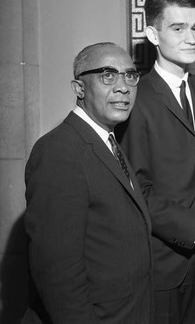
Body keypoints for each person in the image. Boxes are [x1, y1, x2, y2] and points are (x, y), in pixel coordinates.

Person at [117, 0, 195, 324]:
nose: (191, 38)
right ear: (153, 34)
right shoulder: (134, 97)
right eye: (178, 28)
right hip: (160, 263)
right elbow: (137, 193)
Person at [23, 42, 153, 323]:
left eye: (130, 75)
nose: (123, 87)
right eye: (108, 75)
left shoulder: (109, 142)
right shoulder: (58, 150)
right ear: (79, 89)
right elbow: (57, 275)